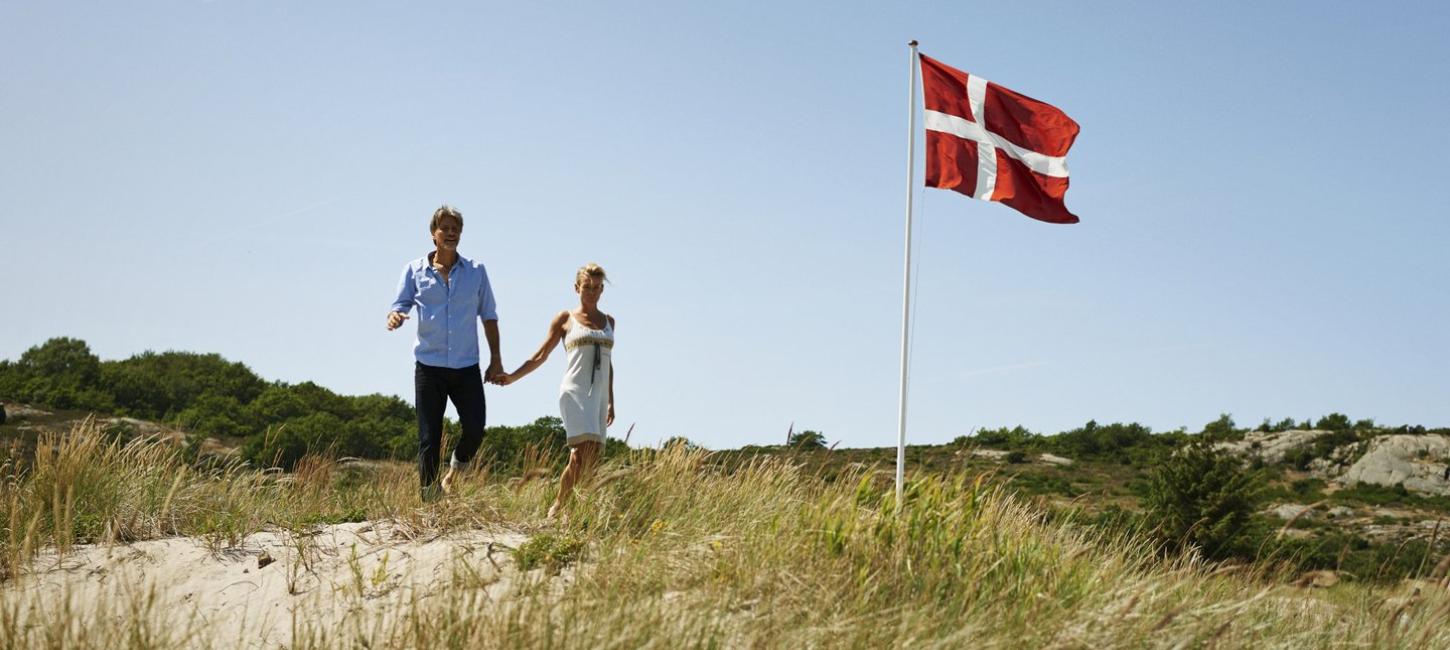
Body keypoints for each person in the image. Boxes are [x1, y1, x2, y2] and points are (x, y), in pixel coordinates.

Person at [386, 204, 505, 500]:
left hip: (466, 366)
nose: (451, 234)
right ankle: (430, 500)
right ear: (433, 234)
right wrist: (395, 316)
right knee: (429, 438)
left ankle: (455, 471)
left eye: (456, 229)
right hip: (429, 366)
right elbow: (399, 304)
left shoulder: (476, 272)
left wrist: (496, 360)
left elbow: (489, 316)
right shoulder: (414, 271)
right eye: (445, 229)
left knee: (475, 428)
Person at [498, 263, 614, 519]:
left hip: (599, 396)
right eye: (587, 287)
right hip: (574, 391)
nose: (591, 292)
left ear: (602, 289)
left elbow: (608, 364)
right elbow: (541, 355)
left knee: (589, 459)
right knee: (581, 452)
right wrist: (512, 377)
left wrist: (611, 401)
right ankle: (561, 508)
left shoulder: (610, 322)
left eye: (596, 288)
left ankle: (570, 509)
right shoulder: (565, 319)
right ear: (577, 288)